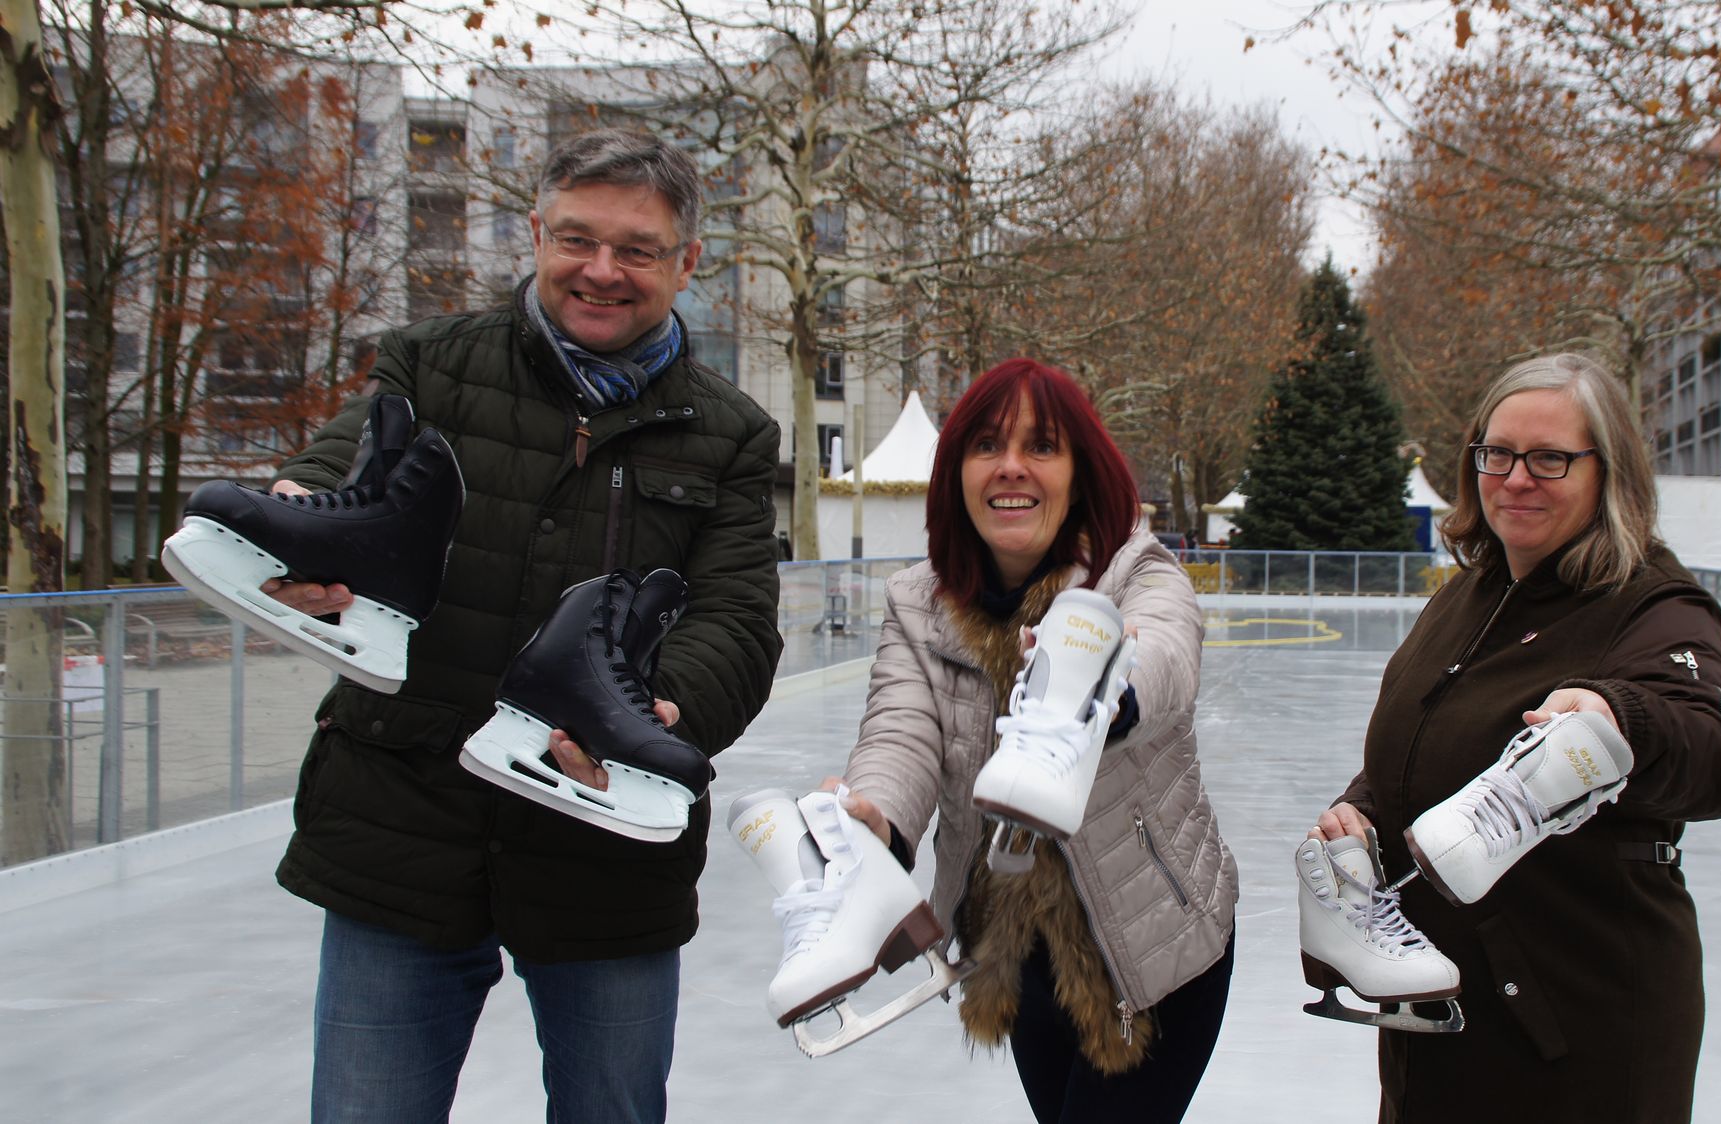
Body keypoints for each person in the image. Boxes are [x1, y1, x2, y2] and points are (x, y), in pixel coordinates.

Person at [263, 128, 782, 1122]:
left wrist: (663, 714)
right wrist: (299, 517)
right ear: (537, 234)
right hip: (402, 826)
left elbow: (736, 617)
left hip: (606, 852)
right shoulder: (430, 364)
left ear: (687, 262)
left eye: (636, 250)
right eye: (577, 239)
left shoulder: (730, 435)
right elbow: (347, 468)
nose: (601, 270)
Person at [1310, 353, 1721, 1123]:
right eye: (1499, 453)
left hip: (1575, 1027)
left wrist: (1621, 716)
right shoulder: (1469, 596)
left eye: (1550, 458)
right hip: (1444, 1016)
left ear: (1607, 471)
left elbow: (1718, 752)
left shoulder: (1652, 604)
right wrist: (1362, 814)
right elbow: (1419, 751)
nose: (1516, 479)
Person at [829, 358, 1237, 1124]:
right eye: (986, 445)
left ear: (1079, 474)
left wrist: (1097, 688)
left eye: (1041, 446)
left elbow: (1165, 650)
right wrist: (873, 816)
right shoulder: (917, 602)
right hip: (1015, 953)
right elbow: (900, 732)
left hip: (1154, 951)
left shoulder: (1134, 568)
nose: (1011, 466)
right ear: (957, 474)